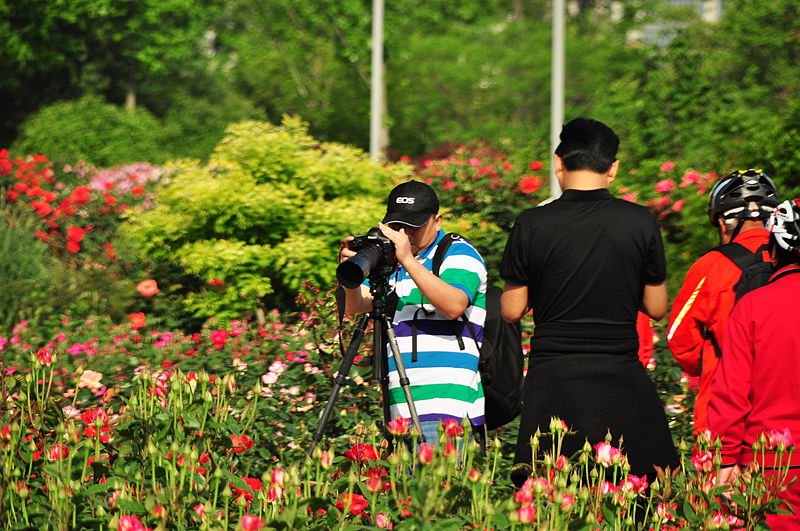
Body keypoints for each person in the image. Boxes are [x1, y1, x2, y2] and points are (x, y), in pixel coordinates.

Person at [499, 117, 679, 487]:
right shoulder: (640, 221)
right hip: (620, 377)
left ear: (557, 162)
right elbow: (657, 307)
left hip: (554, 383)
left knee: (554, 499)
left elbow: (512, 310)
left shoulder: (532, 223)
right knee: (632, 499)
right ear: (612, 168)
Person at [340, 180, 488, 447]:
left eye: (413, 226)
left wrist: (407, 260)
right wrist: (350, 271)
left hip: (448, 409)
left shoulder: (458, 253)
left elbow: (454, 305)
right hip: (400, 410)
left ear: (437, 221)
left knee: (438, 488)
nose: (404, 233)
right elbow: (357, 305)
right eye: (397, 226)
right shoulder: (391, 260)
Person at [709, 199, 800, 530]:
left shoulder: (753, 306)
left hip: (769, 468)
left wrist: (726, 460)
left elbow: (731, 394)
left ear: (773, 251)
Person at [667, 169, 780, 436]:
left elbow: (678, 338)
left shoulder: (711, 266)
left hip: (720, 410)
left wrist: (708, 361)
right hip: (783, 415)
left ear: (722, 222)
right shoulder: (790, 262)